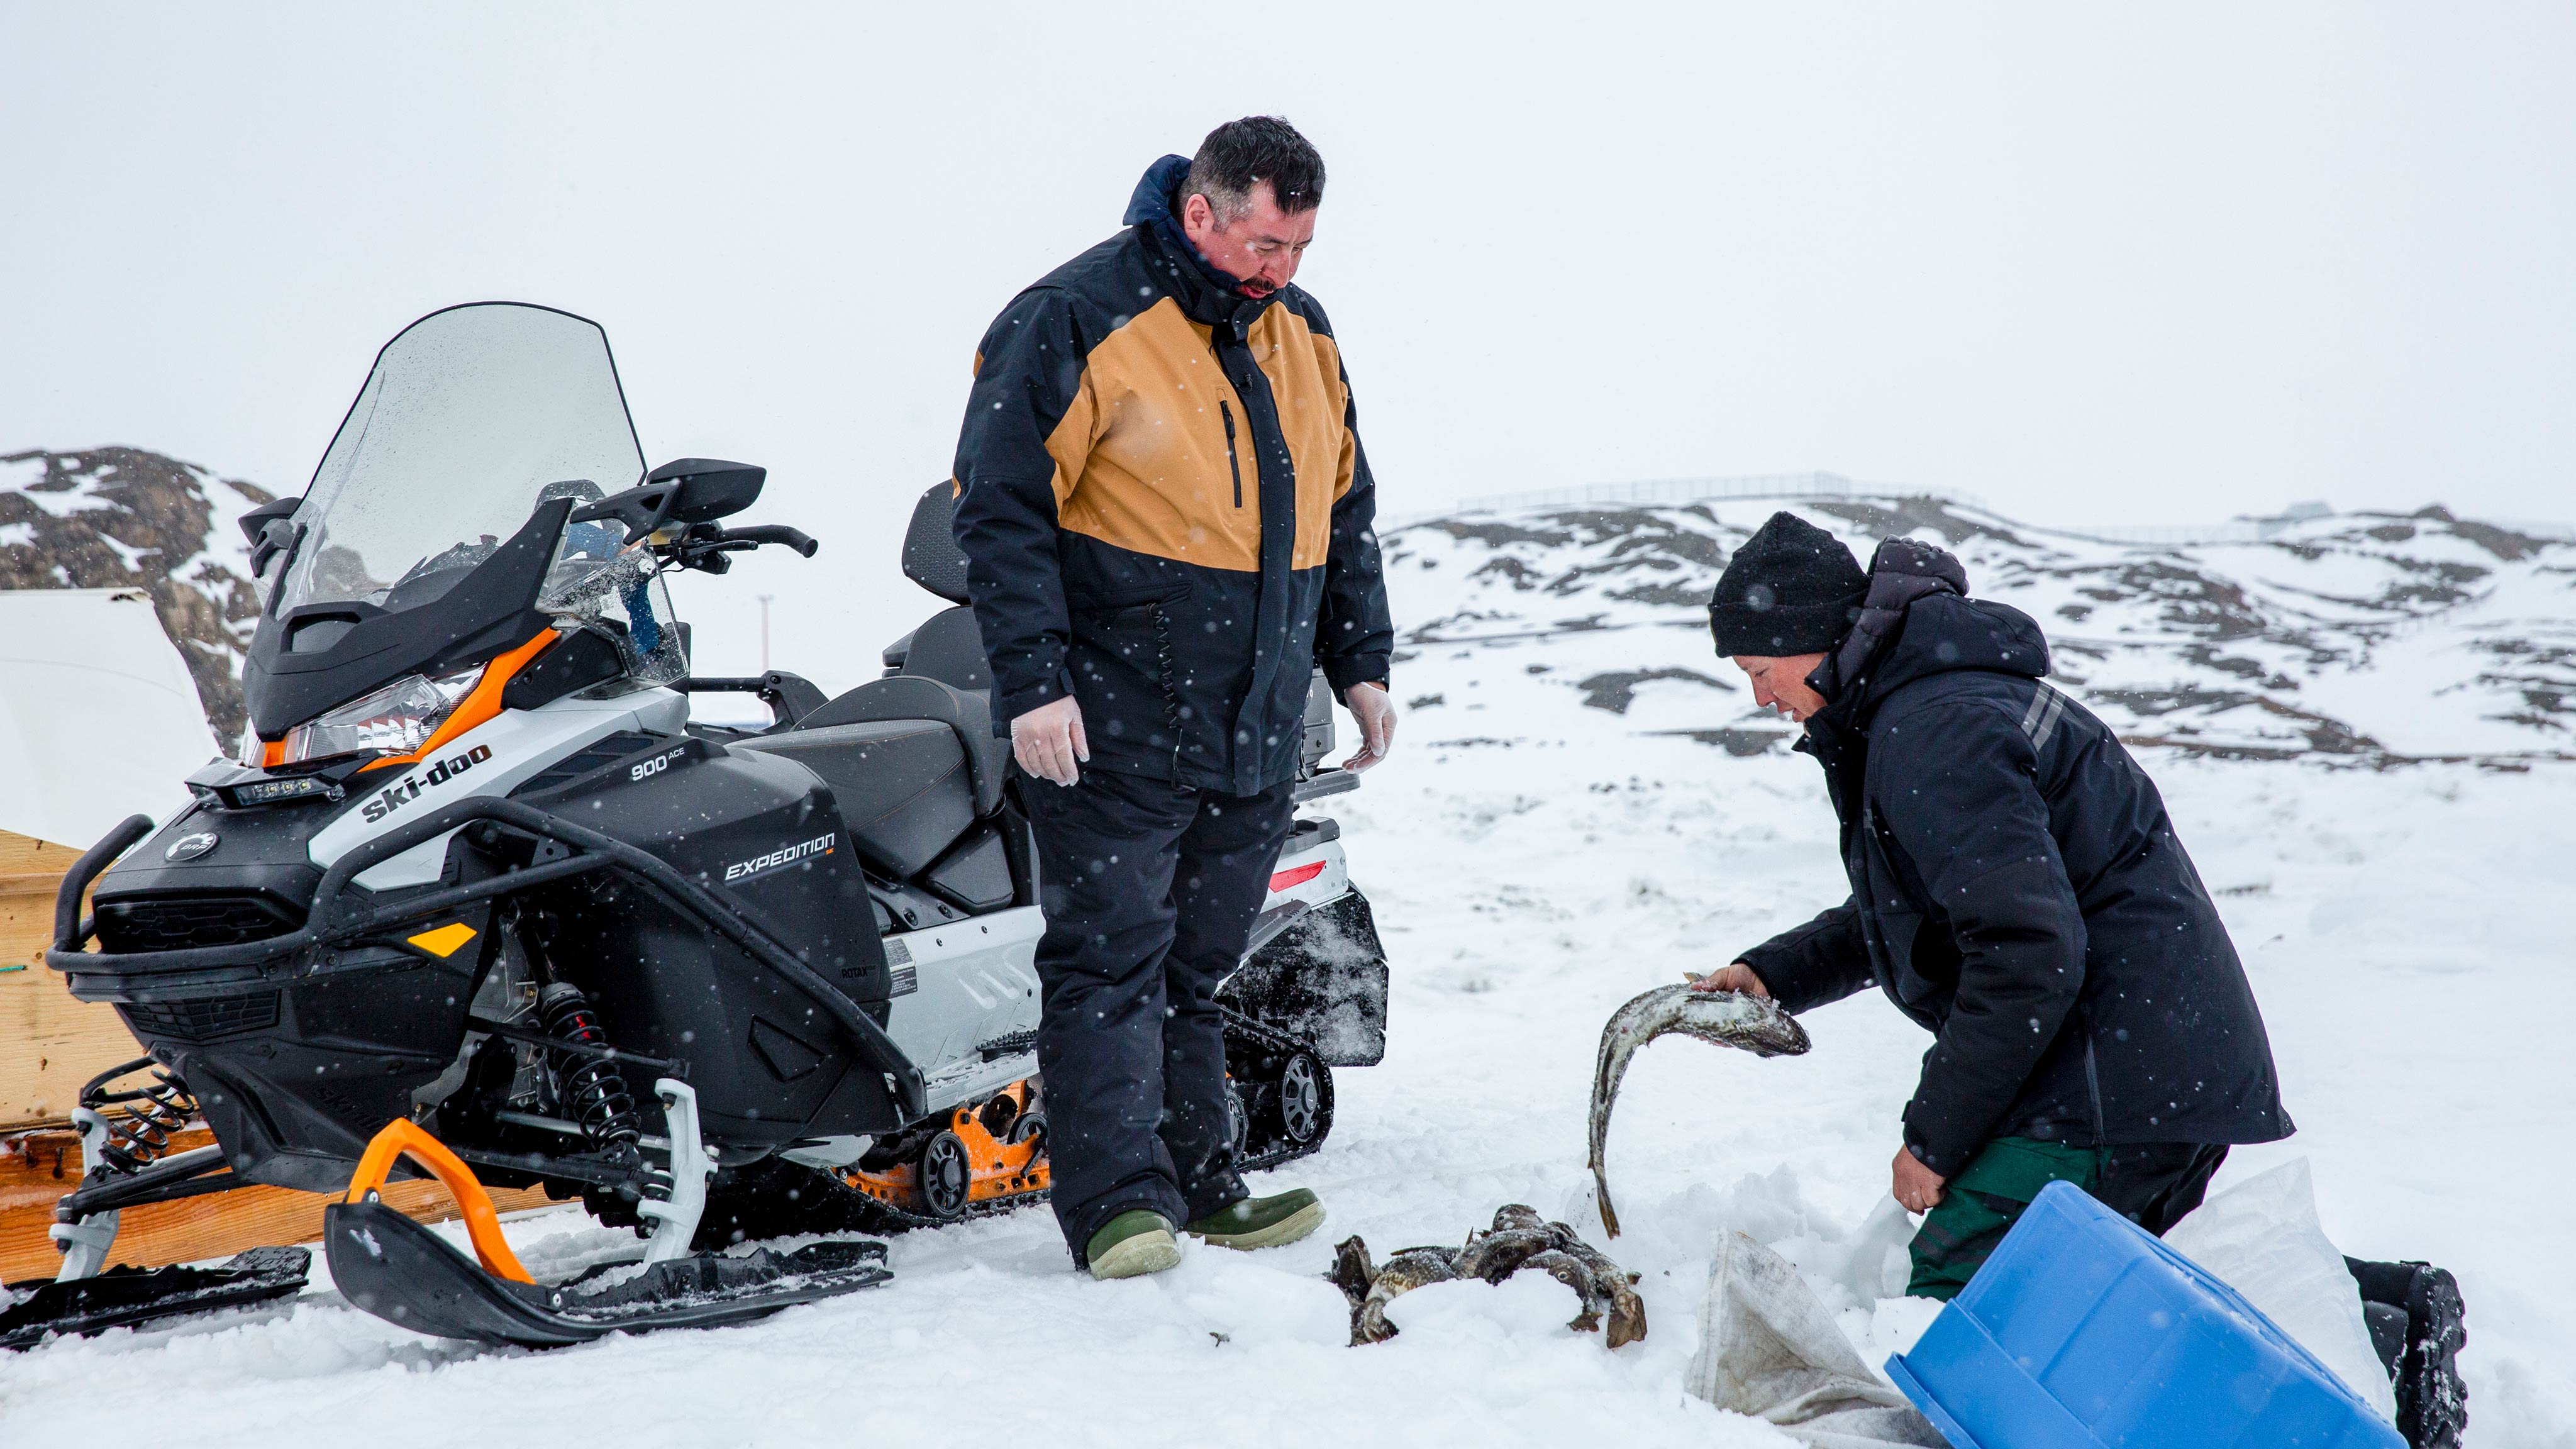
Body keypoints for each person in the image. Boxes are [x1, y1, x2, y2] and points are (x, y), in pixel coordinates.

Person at [948, 117, 1396, 1280]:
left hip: (1253, 722)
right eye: (1264, 244)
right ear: (1200, 213)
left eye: (1299, 248)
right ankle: (1116, 1205)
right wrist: (1033, 686)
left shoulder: (1303, 333)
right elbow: (998, 510)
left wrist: (1361, 662)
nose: (1282, 270)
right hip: (1115, 714)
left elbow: (1343, 509)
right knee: (1111, 963)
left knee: (1198, 969)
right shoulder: (1074, 316)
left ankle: (1203, 1185)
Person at [1691, 511, 2293, 1298]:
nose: (1761, 696)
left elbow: (2024, 950)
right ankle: (2370, 1322)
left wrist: (1933, 1141)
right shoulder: (1928, 710)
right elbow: (1927, 909)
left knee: (1973, 1298)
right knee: (2120, 1297)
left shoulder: (1935, 730)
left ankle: (2374, 1327)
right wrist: (1773, 973)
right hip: (2136, 1067)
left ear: (1809, 638)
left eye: (1758, 670)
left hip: (2108, 1080)